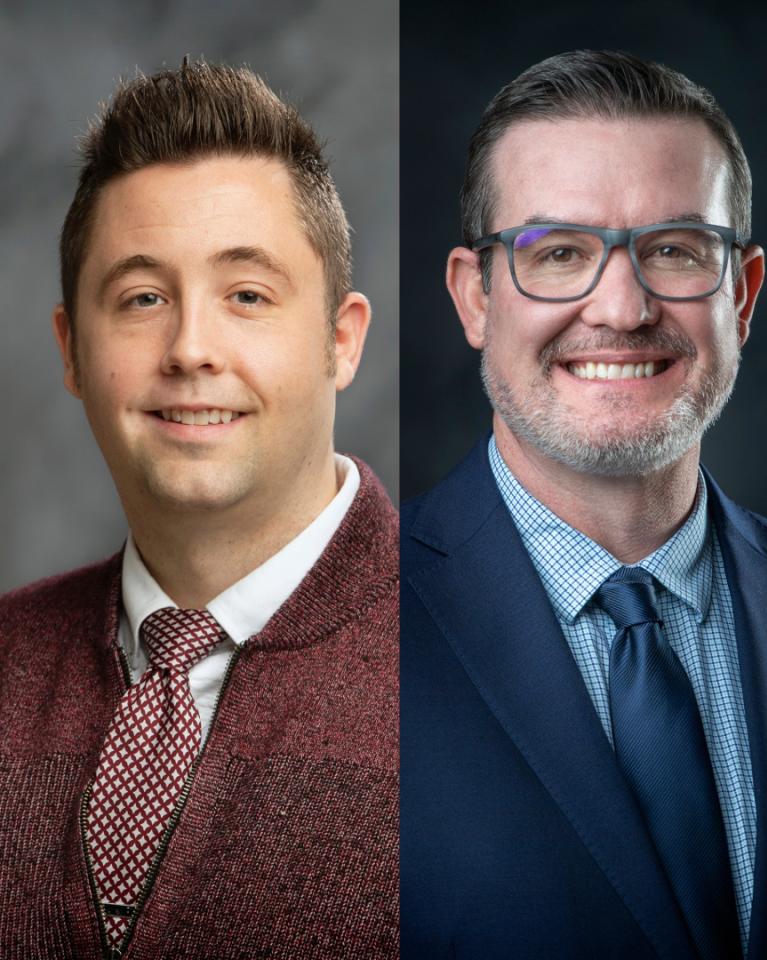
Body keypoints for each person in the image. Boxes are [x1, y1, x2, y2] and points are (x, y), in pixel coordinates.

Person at [401, 50, 767, 959]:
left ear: (741, 294)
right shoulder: (355, 623)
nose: (621, 308)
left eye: (674, 250)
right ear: (475, 296)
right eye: (560, 253)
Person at [0, 60, 397, 957]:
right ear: (70, 348)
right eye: (142, 299)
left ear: (341, 340)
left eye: (246, 296)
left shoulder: (479, 649)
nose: (189, 349)